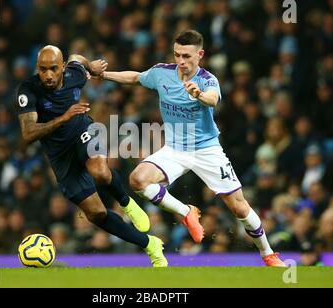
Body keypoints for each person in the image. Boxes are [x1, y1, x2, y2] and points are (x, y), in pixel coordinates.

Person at [100, 30, 285, 266]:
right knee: (138, 180)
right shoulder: (161, 73)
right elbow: (135, 77)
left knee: (239, 208)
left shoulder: (208, 80)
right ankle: (187, 212)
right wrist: (103, 75)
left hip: (207, 150)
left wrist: (198, 95)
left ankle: (267, 253)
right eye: (177, 55)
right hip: (176, 148)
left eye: (187, 56)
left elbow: (213, 99)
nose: (181, 61)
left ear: (200, 55)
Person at [16, 45, 167, 267]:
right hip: (60, 156)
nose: (48, 75)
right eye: (42, 69)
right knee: (95, 214)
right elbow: (28, 133)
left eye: (53, 69)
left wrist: (92, 65)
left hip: (83, 133)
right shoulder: (28, 89)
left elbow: (77, 57)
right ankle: (150, 245)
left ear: (63, 67)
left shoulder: (74, 73)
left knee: (99, 171)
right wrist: (63, 118)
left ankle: (127, 204)